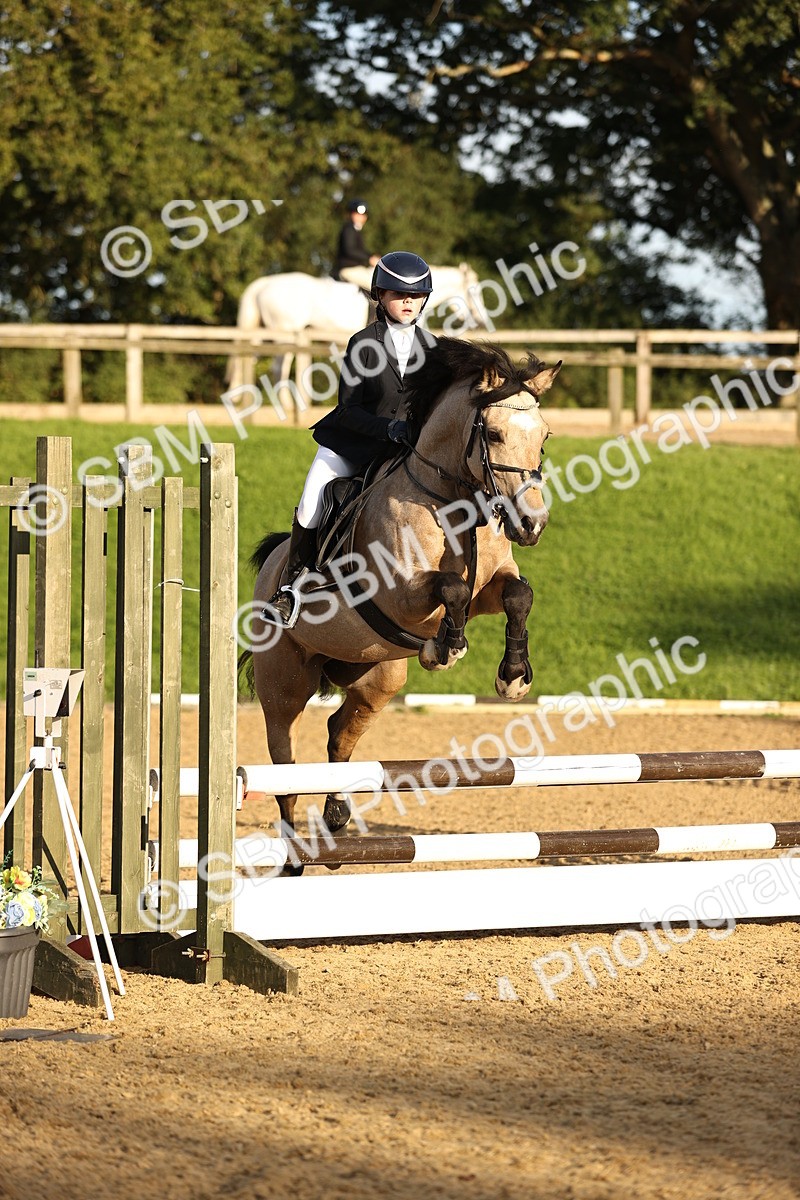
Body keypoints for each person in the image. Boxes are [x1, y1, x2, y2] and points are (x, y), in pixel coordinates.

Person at [266, 251, 438, 627]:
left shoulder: (434, 349)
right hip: (354, 441)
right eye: (398, 294)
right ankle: (290, 588)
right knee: (312, 500)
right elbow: (347, 409)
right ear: (380, 295)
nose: (408, 302)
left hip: (406, 450)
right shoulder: (364, 343)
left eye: (415, 295)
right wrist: (387, 429)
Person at [333, 199, 380, 280]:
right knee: (375, 284)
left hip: (356, 269)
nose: (361, 217)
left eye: (363, 215)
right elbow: (350, 250)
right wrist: (369, 258)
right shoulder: (349, 229)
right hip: (348, 269)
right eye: (357, 214)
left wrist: (372, 256)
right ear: (351, 214)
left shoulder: (355, 230)